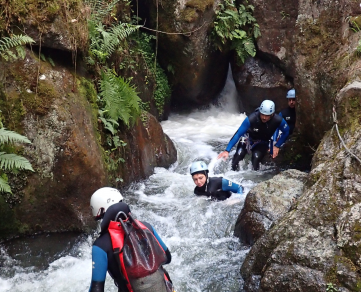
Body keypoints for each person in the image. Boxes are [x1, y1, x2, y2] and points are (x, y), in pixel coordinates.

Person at [89, 187, 173, 292]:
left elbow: (97, 289)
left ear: (100, 210)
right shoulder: (146, 227)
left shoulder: (100, 245)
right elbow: (168, 258)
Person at [217, 100, 290, 171]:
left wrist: (277, 146)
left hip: (262, 141)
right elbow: (238, 133)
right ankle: (232, 175)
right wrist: (227, 150)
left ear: (272, 114)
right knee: (238, 156)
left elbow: (286, 131)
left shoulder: (278, 120)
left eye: (266, 115)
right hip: (248, 139)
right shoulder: (252, 118)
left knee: (255, 159)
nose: (264, 117)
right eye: (262, 114)